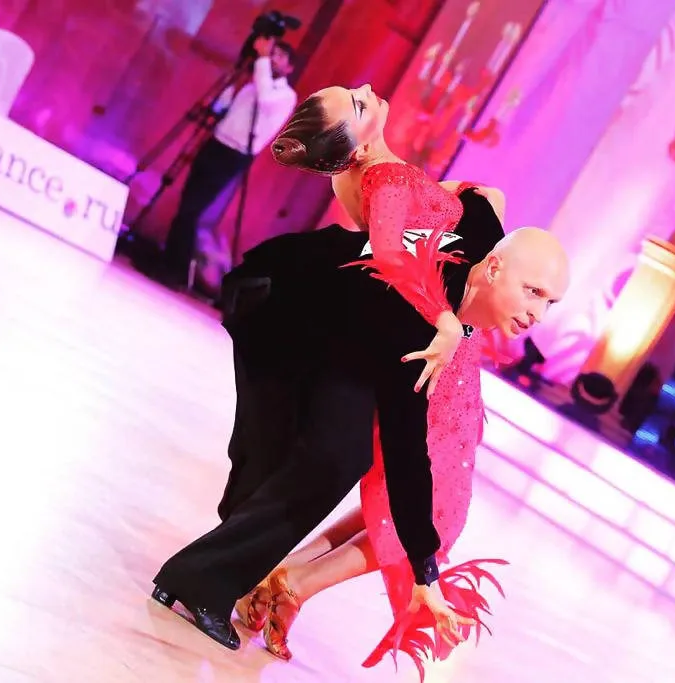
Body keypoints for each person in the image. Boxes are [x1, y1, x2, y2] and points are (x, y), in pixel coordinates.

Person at [151, 84, 570, 670]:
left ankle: (237, 577)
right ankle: (222, 582)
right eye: (358, 102)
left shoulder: (387, 183)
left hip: (368, 333)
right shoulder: (380, 181)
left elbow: (468, 212)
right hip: (348, 336)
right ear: (355, 142)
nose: (370, 90)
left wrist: (453, 279)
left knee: (334, 465)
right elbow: (396, 259)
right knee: (334, 463)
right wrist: (447, 319)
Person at [158, 36, 297, 288]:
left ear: (289, 68)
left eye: (279, 57)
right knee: (186, 202)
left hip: (235, 154)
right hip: (217, 142)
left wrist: (263, 60)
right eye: (271, 54)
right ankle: (170, 261)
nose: (272, 59)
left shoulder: (285, 95)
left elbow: (265, 101)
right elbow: (227, 108)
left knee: (193, 208)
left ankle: (175, 269)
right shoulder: (254, 83)